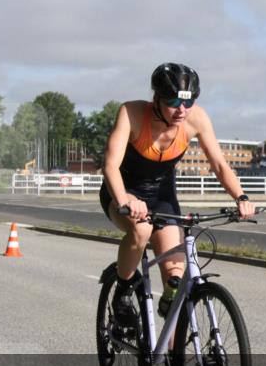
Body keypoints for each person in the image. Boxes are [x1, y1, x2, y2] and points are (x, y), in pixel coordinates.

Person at [100, 63, 255, 326]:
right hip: (124, 191)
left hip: (162, 196)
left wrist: (241, 197)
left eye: (189, 102)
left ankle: (173, 357)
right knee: (140, 232)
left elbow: (218, 164)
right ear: (156, 99)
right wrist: (125, 199)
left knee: (175, 279)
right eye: (173, 102)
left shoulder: (197, 118)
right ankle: (123, 291)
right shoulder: (132, 113)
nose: (182, 110)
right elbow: (110, 165)